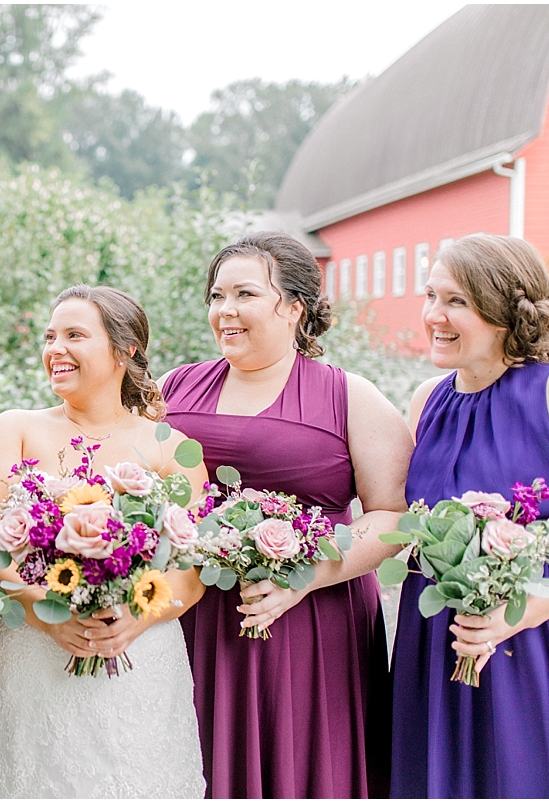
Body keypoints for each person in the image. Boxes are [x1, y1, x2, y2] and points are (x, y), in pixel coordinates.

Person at [159, 231, 413, 798]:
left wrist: (304, 577)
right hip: (192, 616)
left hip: (311, 625)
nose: (224, 310)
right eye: (216, 295)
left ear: (294, 307)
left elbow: (393, 516)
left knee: (299, 766)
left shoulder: (350, 396)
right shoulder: (174, 386)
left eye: (244, 294)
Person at [0, 284, 208, 798]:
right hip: (30, 659)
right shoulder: (15, 431)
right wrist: (40, 610)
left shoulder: (170, 448)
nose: (55, 349)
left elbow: (192, 567)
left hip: (140, 661)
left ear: (124, 349)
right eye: (50, 336)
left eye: (74, 335)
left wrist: (135, 619)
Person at [390, 234, 549, 798]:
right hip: (438, 635)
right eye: (430, 295)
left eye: (456, 302)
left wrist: (520, 614)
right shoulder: (427, 400)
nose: (433, 316)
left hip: (538, 638)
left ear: (503, 313)